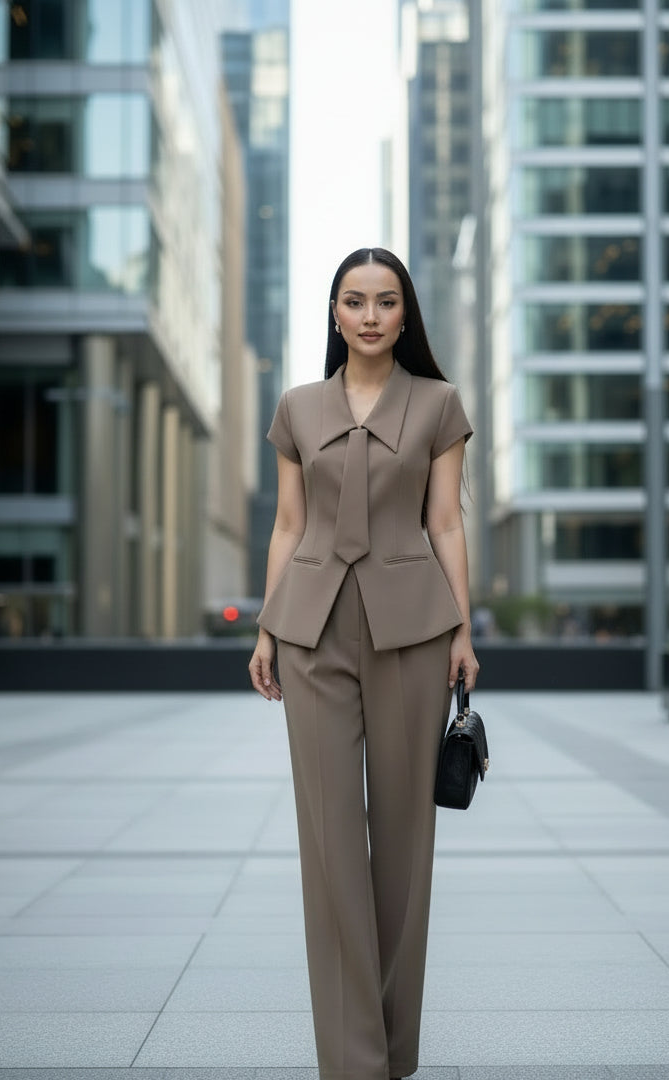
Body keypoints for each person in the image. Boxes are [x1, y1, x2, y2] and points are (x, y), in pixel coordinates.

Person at [249, 247, 479, 1080]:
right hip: (310, 631)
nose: (372, 315)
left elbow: (446, 522)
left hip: (414, 630)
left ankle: (392, 1046)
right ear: (336, 313)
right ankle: (354, 1060)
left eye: (387, 301)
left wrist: (462, 630)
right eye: (355, 300)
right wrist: (267, 629)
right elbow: (286, 525)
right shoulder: (297, 408)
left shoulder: (439, 404)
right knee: (330, 841)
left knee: (406, 844)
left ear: (406, 315)